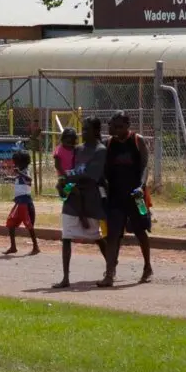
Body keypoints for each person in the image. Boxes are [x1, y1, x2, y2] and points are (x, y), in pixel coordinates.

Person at [53, 117, 108, 289]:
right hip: (73, 199)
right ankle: (65, 278)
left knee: (96, 236)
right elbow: (69, 169)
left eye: (86, 130)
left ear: (96, 131)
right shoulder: (78, 149)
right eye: (82, 129)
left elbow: (91, 176)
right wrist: (65, 182)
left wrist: (68, 179)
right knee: (66, 236)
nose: (83, 133)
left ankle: (111, 266)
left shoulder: (100, 151)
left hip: (90, 198)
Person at [101, 111, 153, 287]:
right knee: (113, 235)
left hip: (137, 197)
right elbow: (104, 170)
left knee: (141, 231)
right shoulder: (108, 144)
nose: (115, 129)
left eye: (119, 126)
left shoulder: (137, 141)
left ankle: (147, 267)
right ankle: (109, 273)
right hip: (115, 197)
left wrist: (141, 186)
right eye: (113, 126)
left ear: (127, 126)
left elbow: (145, 167)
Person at [4, 151, 39, 255]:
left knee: (29, 225)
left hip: (25, 202)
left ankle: (36, 247)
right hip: (19, 202)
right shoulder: (22, 172)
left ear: (22, 162)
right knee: (10, 223)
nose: (15, 164)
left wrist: (19, 172)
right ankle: (13, 247)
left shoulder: (25, 171)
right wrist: (10, 178)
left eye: (16, 162)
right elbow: (18, 179)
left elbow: (29, 179)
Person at [53, 127, 77, 197]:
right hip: (62, 173)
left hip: (72, 172)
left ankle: (63, 192)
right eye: (67, 141)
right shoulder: (59, 150)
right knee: (69, 189)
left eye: (71, 142)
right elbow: (57, 165)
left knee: (68, 193)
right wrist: (65, 175)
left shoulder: (74, 149)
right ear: (63, 139)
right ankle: (61, 188)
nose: (69, 144)